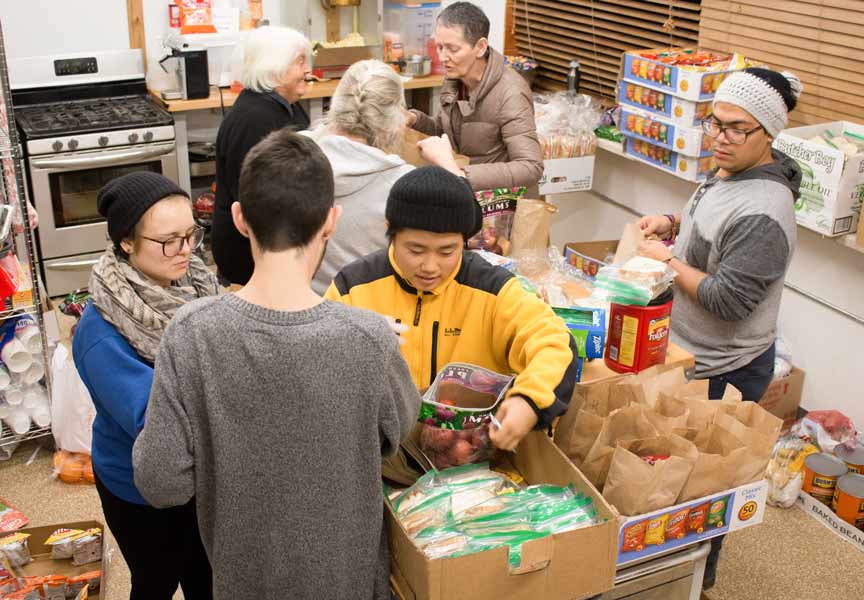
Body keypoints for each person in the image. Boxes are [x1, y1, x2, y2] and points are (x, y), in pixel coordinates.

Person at [132, 130, 420, 600]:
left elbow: (160, 481)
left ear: (240, 219)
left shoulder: (190, 334)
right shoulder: (369, 338)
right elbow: (397, 432)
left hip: (241, 584)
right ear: (331, 221)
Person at [638, 68, 803, 590]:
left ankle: (694, 582)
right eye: (714, 123)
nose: (719, 138)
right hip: (690, 349)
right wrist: (673, 223)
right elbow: (711, 223)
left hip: (725, 366)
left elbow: (729, 300)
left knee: (702, 488)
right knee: (672, 474)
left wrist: (665, 262)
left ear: (769, 135)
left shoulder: (765, 211)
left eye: (737, 129)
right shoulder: (732, 171)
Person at [326, 166, 577, 451]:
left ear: (464, 242)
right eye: (416, 250)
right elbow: (320, 367)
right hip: (379, 455)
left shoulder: (492, 289)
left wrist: (530, 400)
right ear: (390, 231)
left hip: (472, 460)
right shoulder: (353, 288)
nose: (430, 267)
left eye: (447, 251)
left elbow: (554, 343)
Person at [73, 172, 218, 600]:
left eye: (191, 234)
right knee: (156, 580)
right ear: (126, 242)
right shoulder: (101, 333)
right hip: (138, 488)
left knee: (205, 577)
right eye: (169, 240)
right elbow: (155, 420)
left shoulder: (195, 283)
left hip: (200, 476)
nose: (187, 251)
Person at [304, 59, 455, 294]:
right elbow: (460, 225)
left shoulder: (294, 154)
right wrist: (449, 166)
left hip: (305, 300)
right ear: (396, 118)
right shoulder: (403, 184)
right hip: (369, 312)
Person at [408, 1, 543, 195]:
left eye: (452, 49)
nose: (443, 57)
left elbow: (531, 167)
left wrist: (461, 174)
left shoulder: (511, 92)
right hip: (465, 194)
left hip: (501, 205)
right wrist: (414, 119)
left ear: (480, 47)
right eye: (439, 47)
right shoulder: (456, 80)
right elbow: (445, 131)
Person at [213, 25, 312, 285]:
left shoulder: (286, 106)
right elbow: (255, 201)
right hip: (249, 259)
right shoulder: (254, 120)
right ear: (274, 68)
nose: (307, 70)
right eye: (299, 62)